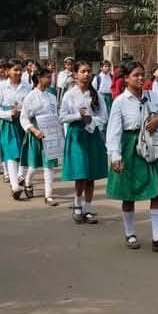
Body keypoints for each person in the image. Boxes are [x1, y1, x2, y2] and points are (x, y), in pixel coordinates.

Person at [106, 60, 158, 253]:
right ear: (126, 79)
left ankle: (157, 237)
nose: (140, 78)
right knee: (129, 193)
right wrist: (115, 156)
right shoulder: (120, 102)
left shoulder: (152, 96)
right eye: (135, 75)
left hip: (151, 146)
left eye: (142, 74)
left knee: (156, 191)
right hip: (130, 146)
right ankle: (130, 233)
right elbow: (114, 131)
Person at [59, 60, 108, 224]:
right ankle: (77, 204)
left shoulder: (96, 94)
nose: (86, 74)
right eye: (82, 71)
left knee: (91, 174)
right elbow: (62, 117)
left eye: (88, 71)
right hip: (76, 135)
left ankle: (88, 208)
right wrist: (78, 117)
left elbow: (104, 116)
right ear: (75, 74)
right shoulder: (69, 95)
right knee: (80, 172)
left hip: (92, 134)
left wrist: (92, 121)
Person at [19, 68, 60, 205]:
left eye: (51, 77)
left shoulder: (52, 96)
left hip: (50, 133)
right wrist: (34, 130)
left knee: (49, 165)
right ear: (39, 78)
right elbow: (24, 118)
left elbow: (56, 115)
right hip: (36, 132)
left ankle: (48, 195)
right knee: (34, 165)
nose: (50, 80)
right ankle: (27, 181)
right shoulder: (30, 97)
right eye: (47, 77)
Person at [0, 59, 31, 198]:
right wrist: (8, 113)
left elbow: (30, 104)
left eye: (20, 70)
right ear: (8, 71)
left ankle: (21, 175)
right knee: (11, 152)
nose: (18, 73)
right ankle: (14, 186)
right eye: (15, 70)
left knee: (22, 151)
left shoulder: (27, 87)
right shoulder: (0, 87)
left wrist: (24, 112)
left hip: (23, 122)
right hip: (7, 123)